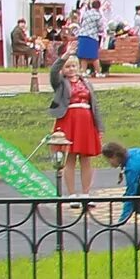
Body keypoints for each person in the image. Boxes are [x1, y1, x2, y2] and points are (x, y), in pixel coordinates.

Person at [48, 52, 105, 199]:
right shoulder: (60, 83)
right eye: (68, 66)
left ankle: (86, 193)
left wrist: (99, 127)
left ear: (79, 67)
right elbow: (53, 71)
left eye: (74, 66)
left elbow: (95, 105)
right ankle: (72, 193)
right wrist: (64, 56)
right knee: (69, 157)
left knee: (86, 158)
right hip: (68, 121)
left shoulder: (86, 83)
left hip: (86, 122)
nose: (71, 69)